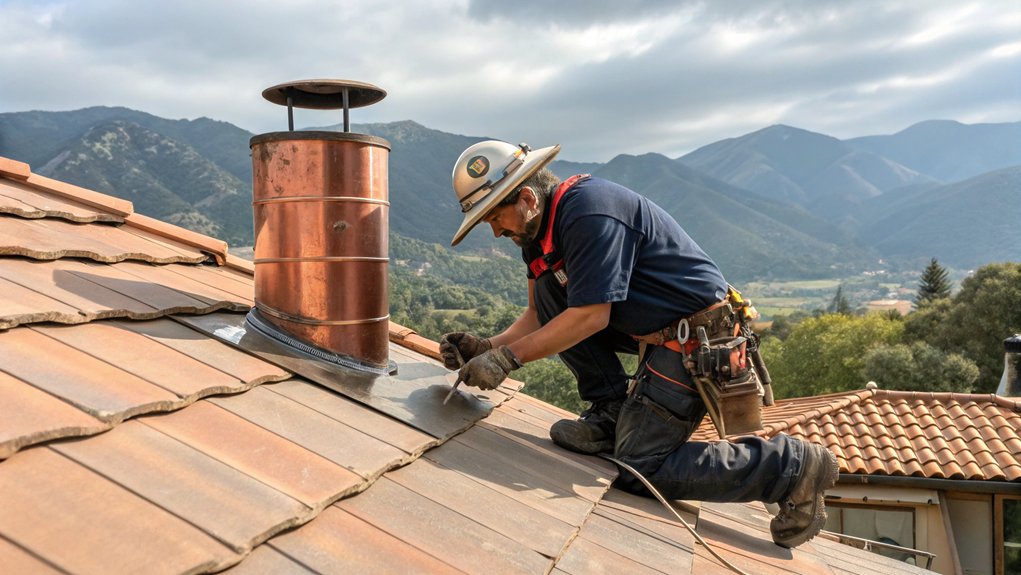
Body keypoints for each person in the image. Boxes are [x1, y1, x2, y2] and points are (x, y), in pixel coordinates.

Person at [439, 139, 838, 548]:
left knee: (640, 466)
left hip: (697, 340)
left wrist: (506, 360)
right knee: (549, 291)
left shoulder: (589, 213)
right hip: (655, 332)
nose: (495, 230)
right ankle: (611, 414)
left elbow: (591, 316)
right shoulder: (538, 235)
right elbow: (541, 315)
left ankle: (790, 466)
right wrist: (487, 346)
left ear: (526, 198)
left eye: (495, 217)